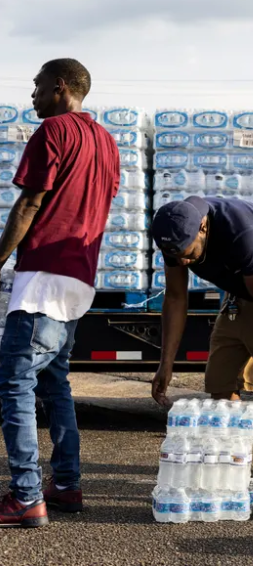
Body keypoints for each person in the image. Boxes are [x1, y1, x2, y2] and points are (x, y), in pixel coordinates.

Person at [0, 59, 120, 527]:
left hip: (42, 278)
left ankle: (27, 495)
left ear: (60, 86)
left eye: (37, 86)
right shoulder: (107, 143)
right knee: (55, 382)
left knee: (15, 382)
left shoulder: (52, 133)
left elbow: (30, 203)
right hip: (79, 280)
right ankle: (66, 485)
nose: (32, 95)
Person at [150, 196, 253, 519]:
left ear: (203, 227)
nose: (183, 262)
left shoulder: (242, 233)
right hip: (241, 293)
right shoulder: (174, 235)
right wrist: (165, 364)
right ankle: (228, 474)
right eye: (175, 256)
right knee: (221, 379)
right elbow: (174, 298)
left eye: (188, 255)